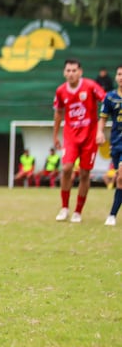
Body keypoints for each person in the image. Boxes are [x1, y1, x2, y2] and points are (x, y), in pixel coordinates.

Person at [53, 59, 106, 223]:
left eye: (74, 70)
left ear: (80, 72)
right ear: (64, 73)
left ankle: (78, 211)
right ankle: (64, 208)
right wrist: (55, 135)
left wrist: (100, 130)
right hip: (70, 136)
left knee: (84, 173)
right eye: (68, 70)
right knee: (67, 168)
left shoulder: (90, 86)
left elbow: (106, 102)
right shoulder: (61, 91)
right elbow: (58, 113)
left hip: (89, 137)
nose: (71, 73)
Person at [97, 64, 122, 226]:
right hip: (116, 143)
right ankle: (112, 214)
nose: (121, 77)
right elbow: (103, 118)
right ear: (115, 77)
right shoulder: (110, 97)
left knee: (121, 176)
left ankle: (112, 215)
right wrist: (99, 133)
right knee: (120, 179)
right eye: (119, 74)